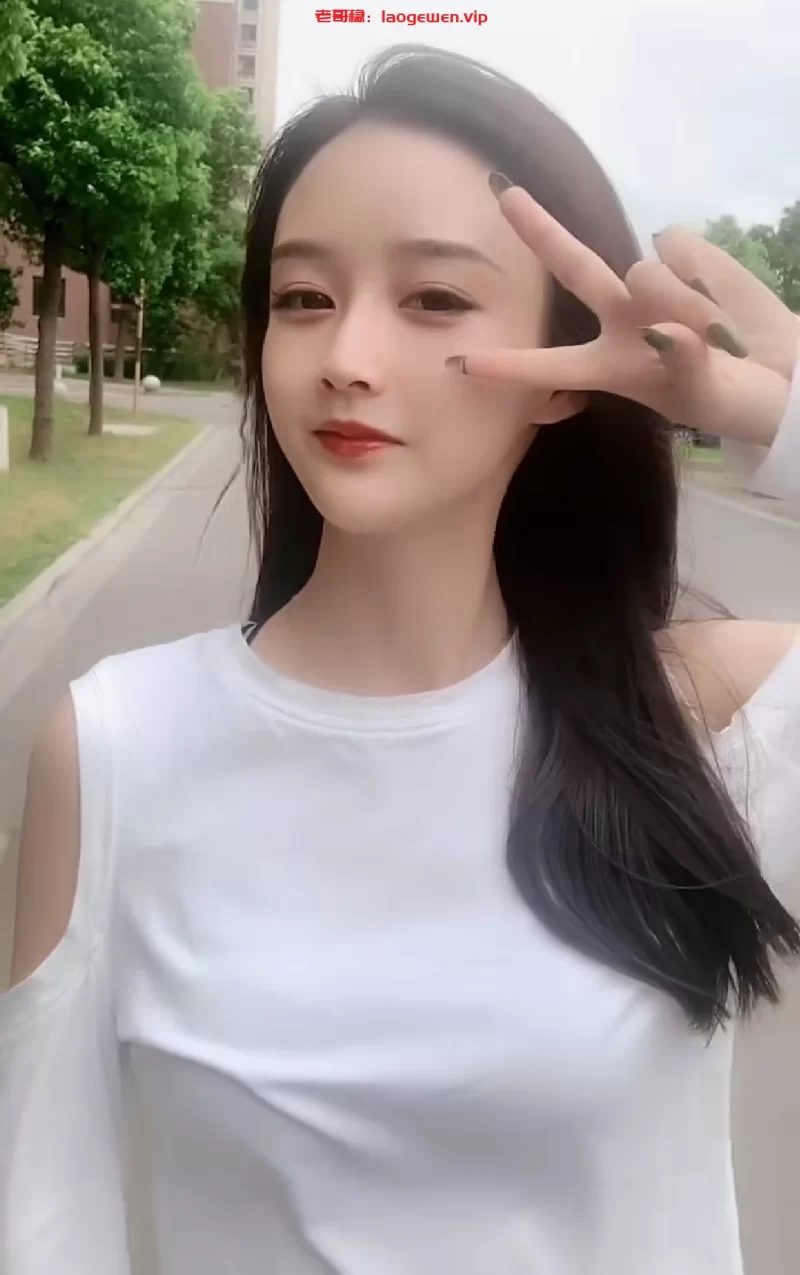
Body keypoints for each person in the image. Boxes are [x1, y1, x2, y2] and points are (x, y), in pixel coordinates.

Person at [2, 42, 800, 1275]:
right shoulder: (120, 748)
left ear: (564, 376)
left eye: (432, 299)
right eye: (302, 298)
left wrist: (777, 417)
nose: (347, 357)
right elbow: (43, 1219)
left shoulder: (705, 724)